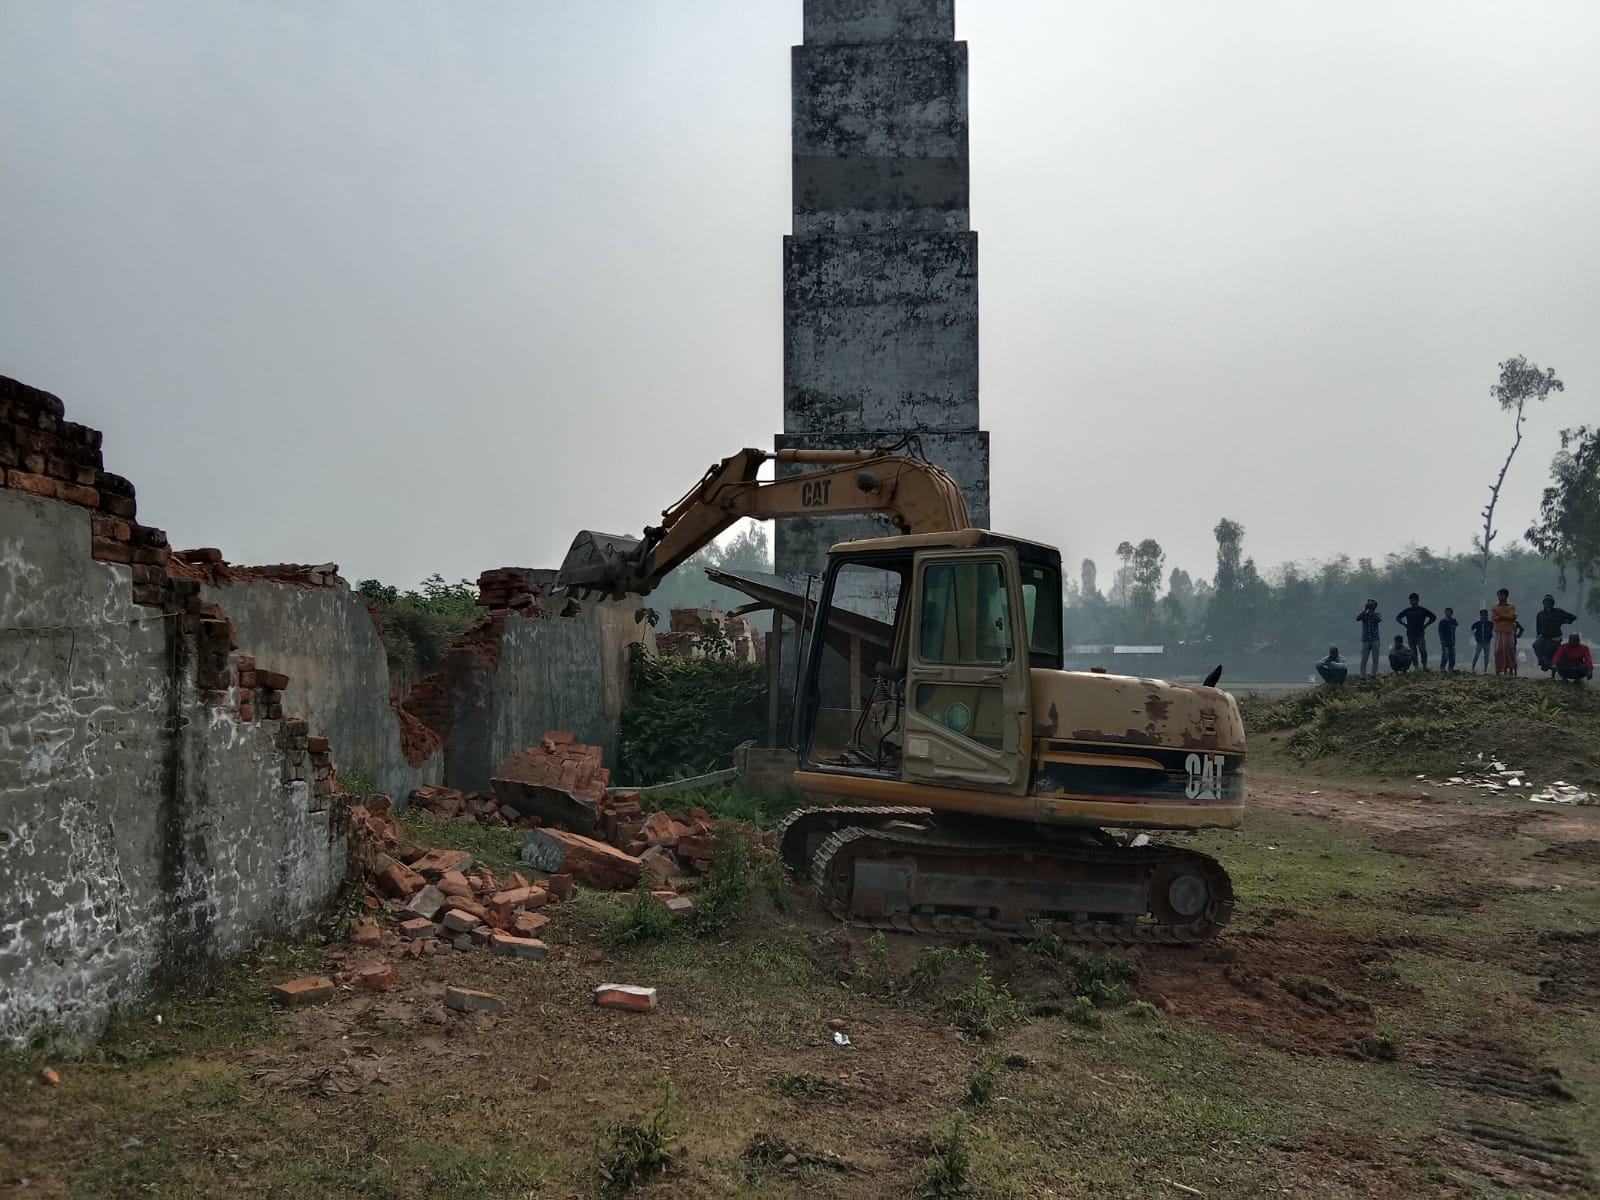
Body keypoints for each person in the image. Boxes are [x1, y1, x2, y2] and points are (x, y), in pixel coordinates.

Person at [1532, 595, 1577, 674]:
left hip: (1555, 637)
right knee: (1536, 645)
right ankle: (1543, 662)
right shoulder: (1540, 614)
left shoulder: (1559, 612)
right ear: (1543, 603)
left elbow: (1573, 617)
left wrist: (1564, 621)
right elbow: (1538, 626)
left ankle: (1553, 668)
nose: (1547, 603)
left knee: (1554, 654)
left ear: (1552, 603)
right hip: (1544, 636)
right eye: (1546, 602)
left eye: (1549, 602)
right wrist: (1538, 634)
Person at [1395, 593, 1437, 669]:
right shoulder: (1408, 610)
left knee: (1422, 650)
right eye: (1410, 600)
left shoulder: (1422, 610)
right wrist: (1404, 624)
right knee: (1413, 652)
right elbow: (1398, 617)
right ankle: (1416, 666)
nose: (1411, 602)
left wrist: (1426, 625)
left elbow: (1433, 617)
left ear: (1417, 601)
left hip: (1420, 634)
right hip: (1410, 633)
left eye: (1413, 600)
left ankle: (1424, 666)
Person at [1490, 589, 1521, 676]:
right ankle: (1499, 669)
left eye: (1502, 595)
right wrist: (1506, 616)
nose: (1500, 597)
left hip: (1508, 631)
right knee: (1498, 651)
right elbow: (1493, 618)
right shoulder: (1494, 607)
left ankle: (1511, 668)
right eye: (1499, 595)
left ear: (1506, 596)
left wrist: (1500, 616)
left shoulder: (1511, 606)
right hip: (1498, 631)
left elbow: (1511, 615)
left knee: (1509, 651)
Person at [1356, 599, 1383, 677]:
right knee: (1364, 660)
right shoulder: (1364, 615)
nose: (1370, 606)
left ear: (1375, 606)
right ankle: (1362, 676)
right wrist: (1365, 610)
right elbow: (1358, 618)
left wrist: (1372, 611)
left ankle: (1373, 675)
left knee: (1375, 660)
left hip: (1375, 640)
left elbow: (1378, 620)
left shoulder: (1377, 614)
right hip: (1365, 640)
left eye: (1372, 605)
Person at [1470, 609, 1495, 673]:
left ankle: (1485, 670)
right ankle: (1473, 668)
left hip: (1487, 641)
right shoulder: (1478, 623)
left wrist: (1492, 635)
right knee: (1476, 654)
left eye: (1484, 614)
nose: (1483, 616)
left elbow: (1495, 629)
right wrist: (1475, 635)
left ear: (1487, 615)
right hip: (1479, 641)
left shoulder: (1490, 623)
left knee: (1486, 656)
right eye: (1482, 615)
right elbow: (1472, 629)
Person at [1437, 607, 1459, 673]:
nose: (1447, 613)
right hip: (1445, 641)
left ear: (1451, 613)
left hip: (1452, 641)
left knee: (1452, 655)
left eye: (1448, 612)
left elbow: (1455, 627)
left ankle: (1451, 668)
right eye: (1446, 612)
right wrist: (1442, 640)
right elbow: (1440, 631)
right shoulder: (1443, 621)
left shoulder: (1453, 621)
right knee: (1445, 655)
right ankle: (1442, 668)